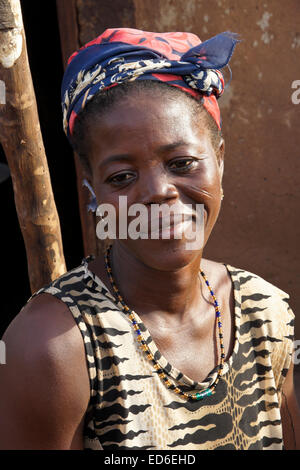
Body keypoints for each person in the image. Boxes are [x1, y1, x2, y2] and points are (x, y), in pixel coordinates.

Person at [0, 28, 299, 451]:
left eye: (182, 162)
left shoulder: (263, 311)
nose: (158, 191)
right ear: (92, 193)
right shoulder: (54, 346)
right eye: (122, 177)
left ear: (221, 161)